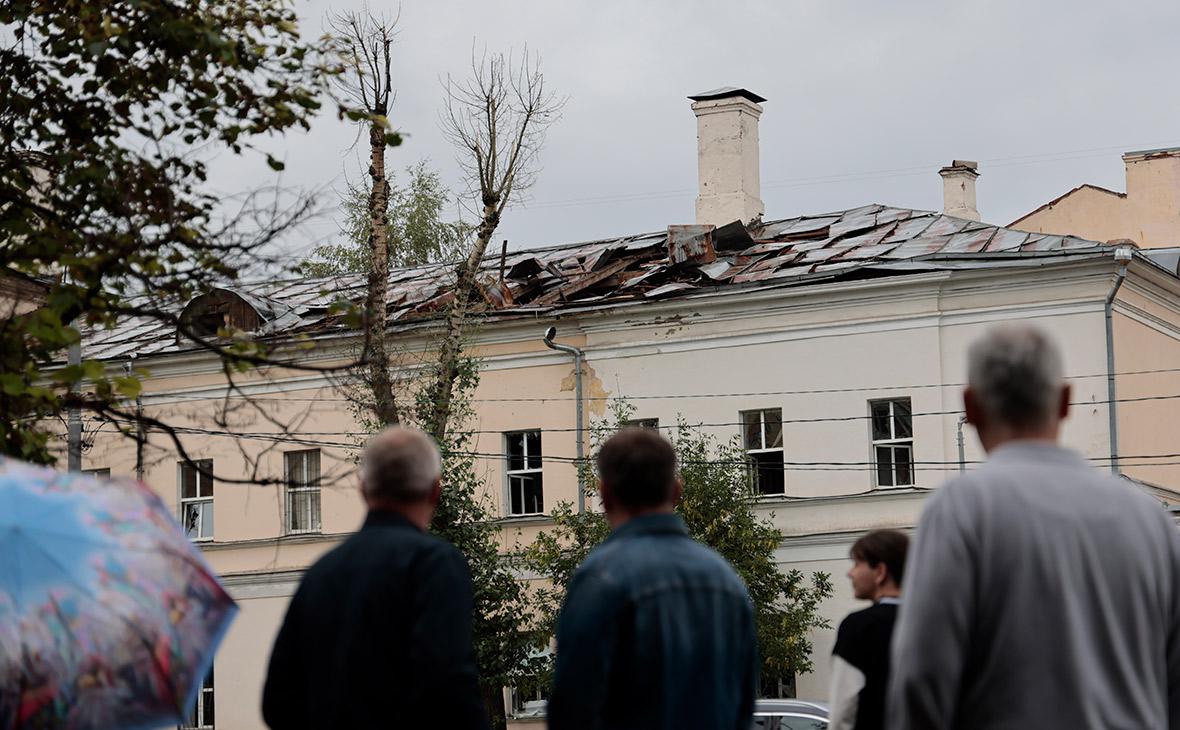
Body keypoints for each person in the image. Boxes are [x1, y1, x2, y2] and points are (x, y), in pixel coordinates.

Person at [888, 324, 1180, 729]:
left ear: (970, 407)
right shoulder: (1150, 520)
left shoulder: (961, 511)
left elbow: (923, 676)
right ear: (1064, 400)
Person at [261, 427, 489, 730]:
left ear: (363, 488)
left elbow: (276, 702)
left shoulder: (320, 573)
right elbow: (448, 688)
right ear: (435, 490)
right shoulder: (434, 564)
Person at [546, 427, 759, 730]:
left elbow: (573, 709)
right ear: (676, 491)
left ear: (604, 494)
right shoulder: (726, 581)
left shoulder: (600, 579)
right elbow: (744, 706)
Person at [828, 529, 908, 730]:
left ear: (880, 572)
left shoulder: (858, 627)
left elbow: (843, 711)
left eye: (857, 563)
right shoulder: (935, 622)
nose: (850, 572)